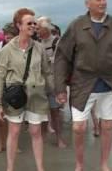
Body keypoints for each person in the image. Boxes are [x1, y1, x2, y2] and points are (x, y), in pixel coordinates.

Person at [54, 0, 112, 170]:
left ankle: (104, 163)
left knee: (108, 125)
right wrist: (59, 88)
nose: (103, 2)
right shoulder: (77, 25)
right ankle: (79, 164)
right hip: (82, 83)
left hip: (110, 82)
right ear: (87, 4)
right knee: (79, 128)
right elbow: (62, 57)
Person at [0, 8, 52, 171]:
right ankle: (10, 168)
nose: (33, 26)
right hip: (16, 97)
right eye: (29, 23)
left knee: (35, 132)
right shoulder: (7, 50)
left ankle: (40, 168)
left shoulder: (39, 48)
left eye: (34, 23)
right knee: (14, 131)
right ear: (19, 25)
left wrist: (58, 92)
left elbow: (47, 72)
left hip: (37, 96)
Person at [37, 16, 67, 148]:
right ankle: (42, 138)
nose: (37, 31)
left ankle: (59, 138)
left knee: (55, 112)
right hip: (39, 83)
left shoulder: (57, 42)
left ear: (46, 28)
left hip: (54, 83)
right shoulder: (37, 43)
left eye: (39, 28)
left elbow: (63, 62)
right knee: (42, 113)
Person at [0, 22, 18, 153]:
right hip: (2, 85)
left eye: (11, 36)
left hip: (17, 87)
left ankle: (14, 144)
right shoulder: (0, 48)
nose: (9, 39)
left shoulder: (21, 48)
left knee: (16, 118)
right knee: (1, 118)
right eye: (7, 37)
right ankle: (1, 143)